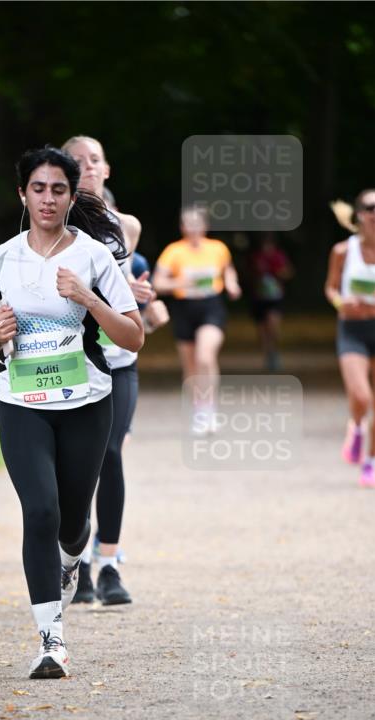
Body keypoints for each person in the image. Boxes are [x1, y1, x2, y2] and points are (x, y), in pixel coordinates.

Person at [0, 146, 143, 678]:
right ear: (22, 194)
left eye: (58, 190)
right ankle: (52, 641)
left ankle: (75, 557)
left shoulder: (95, 256)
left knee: (73, 523)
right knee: (40, 511)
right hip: (22, 402)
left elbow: (134, 337)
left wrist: (91, 300)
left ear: (72, 197)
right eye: (38, 188)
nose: (48, 199)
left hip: (86, 402)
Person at [62, 135, 168, 606]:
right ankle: (75, 561)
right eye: (76, 162)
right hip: (68, 357)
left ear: (107, 170)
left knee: (110, 452)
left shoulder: (127, 225)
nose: (86, 167)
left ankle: (108, 565)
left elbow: (125, 281)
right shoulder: (50, 221)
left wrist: (142, 299)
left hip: (118, 358)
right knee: (75, 462)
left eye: (95, 160)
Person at [153, 206, 241, 436]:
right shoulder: (173, 251)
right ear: (182, 227)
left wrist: (232, 284)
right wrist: (181, 284)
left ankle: (210, 409)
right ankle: (199, 412)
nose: (192, 228)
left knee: (205, 356)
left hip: (211, 307)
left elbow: (228, 270)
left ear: (205, 226)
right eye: (187, 223)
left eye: (196, 223)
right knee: (191, 367)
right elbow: (158, 283)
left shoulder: (218, 248)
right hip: (184, 309)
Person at [325, 189, 375, 488]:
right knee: (361, 396)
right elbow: (331, 288)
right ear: (358, 214)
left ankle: (370, 462)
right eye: (370, 207)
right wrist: (340, 304)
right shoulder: (343, 251)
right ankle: (356, 426)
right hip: (353, 330)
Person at [246, 233, 294, 372]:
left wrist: (278, 272)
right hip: (259, 298)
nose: (267, 248)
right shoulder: (255, 257)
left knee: (273, 326)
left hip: (275, 297)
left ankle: (274, 352)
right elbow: (247, 275)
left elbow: (288, 272)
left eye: (269, 245)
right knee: (262, 331)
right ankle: (268, 354)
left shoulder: (279, 256)